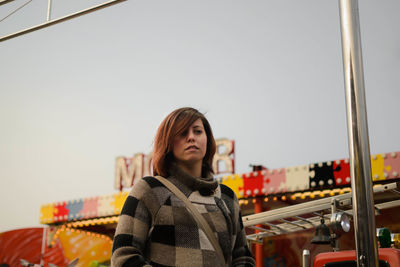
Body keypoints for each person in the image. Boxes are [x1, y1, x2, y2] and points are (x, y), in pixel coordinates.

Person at [111, 107, 255, 267]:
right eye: (182, 133)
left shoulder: (227, 197)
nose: (191, 137)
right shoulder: (150, 190)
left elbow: (243, 258)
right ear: (168, 142)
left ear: (207, 139)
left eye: (198, 131)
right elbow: (123, 257)